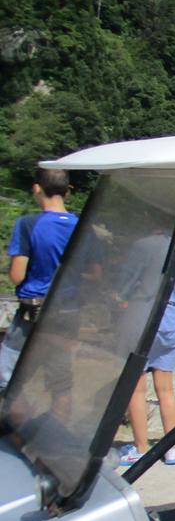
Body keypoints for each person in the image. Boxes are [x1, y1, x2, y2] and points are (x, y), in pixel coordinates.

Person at [0, 168, 78, 394]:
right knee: (61, 383)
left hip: (33, 310)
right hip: (68, 311)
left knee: (7, 377)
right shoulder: (82, 226)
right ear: (68, 191)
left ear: (37, 188)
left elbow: (17, 275)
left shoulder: (28, 224)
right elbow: (94, 272)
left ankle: (13, 425)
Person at [121, 253, 175, 466]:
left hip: (140, 312)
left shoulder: (141, 245)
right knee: (166, 389)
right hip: (169, 315)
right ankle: (171, 448)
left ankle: (140, 448)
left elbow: (124, 284)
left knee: (136, 389)